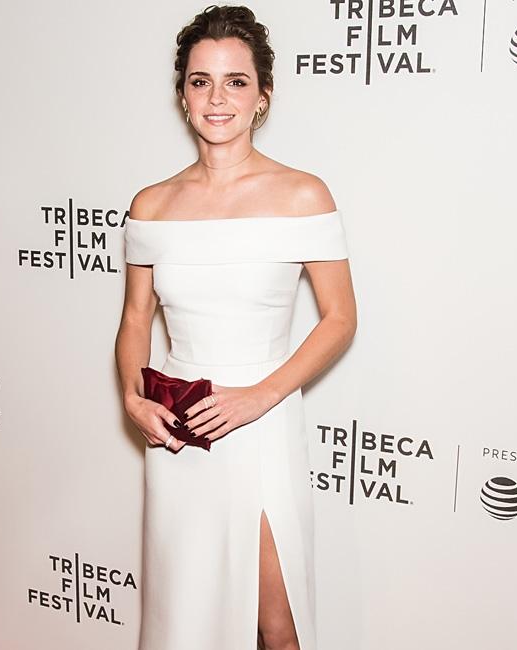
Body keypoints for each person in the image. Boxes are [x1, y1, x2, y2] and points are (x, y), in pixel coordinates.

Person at [115, 5, 357, 649]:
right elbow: (136, 318)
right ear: (183, 95)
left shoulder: (303, 195)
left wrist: (259, 396)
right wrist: (133, 398)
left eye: (236, 81)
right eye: (201, 81)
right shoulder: (151, 205)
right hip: (180, 434)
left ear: (262, 96)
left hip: (263, 423)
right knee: (184, 625)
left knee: (279, 629)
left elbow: (340, 319)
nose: (217, 98)